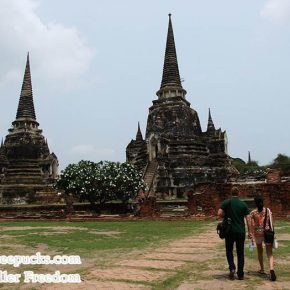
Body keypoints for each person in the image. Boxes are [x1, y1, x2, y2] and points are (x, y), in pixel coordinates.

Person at [218, 186, 250, 280]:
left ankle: (232, 268)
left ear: (231, 193)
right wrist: (250, 232)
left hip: (229, 231)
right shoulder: (243, 204)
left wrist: (226, 215)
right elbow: (248, 219)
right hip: (240, 231)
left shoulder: (226, 202)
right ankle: (240, 274)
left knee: (229, 251)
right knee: (240, 253)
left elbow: (219, 214)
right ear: (238, 193)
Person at [249, 195, 276, 281]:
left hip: (258, 234)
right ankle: (271, 269)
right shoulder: (268, 211)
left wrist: (251, 234)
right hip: (267, 233)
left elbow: (252, 225)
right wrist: (273, 233)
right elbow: (272, 223)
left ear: (255, 203)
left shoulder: (253, 213)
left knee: (260, 252)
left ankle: (262, 269)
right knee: (270, 253)